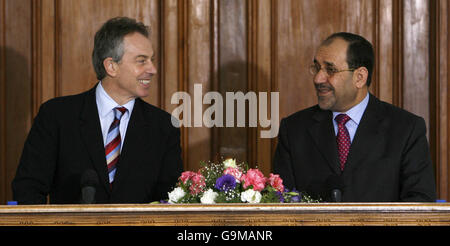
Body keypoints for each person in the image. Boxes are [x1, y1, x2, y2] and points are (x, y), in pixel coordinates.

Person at [12, 17, 183, 204]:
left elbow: (170, 201)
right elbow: (28, 190)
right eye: (141, 61)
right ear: (111, 66)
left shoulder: (164, 127)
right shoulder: (57, 116)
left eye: (152, 60)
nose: (153, 69)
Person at [273, 32, 436, 202]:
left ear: (359, 77)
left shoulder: (405, 129)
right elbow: (281, 203)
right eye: (316, 68)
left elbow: (420, 203)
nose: (318, 78)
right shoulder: (293, 130)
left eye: (330, 69)